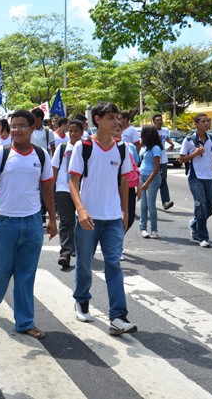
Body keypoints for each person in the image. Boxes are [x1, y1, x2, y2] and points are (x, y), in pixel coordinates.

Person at [0, 109, 56, 339]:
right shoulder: (1, 154)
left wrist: (52, 218)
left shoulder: (41, 155)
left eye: (22, 125)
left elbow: (47, 188)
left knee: (25, 274)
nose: (16, 129)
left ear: (33, 128)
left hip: (32, 222)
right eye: (13, 125)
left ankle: (24, 322)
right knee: (0, 272)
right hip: (4, 222)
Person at [68, 102, 137, 336]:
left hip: (113, 218)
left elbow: (124, 181)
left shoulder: (122, 148)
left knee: (114, 264)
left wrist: (125, 213)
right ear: (97, 119)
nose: (115, 122)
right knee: (85, 263)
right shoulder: (83, 146)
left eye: (116, 117)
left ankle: (118, 316)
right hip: (89, 217)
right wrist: (81, 210)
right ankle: (81, 300)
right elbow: (73, 181)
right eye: (109, 117)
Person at [179, 113, 212, 248]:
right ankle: (203, 237)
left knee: (211, 206)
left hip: (208, 177)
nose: (206, 123)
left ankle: (195, 223)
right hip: (195, 177)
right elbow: (181, 159)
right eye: (203, 121)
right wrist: (195, 153)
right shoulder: (189, 140)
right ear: (196, 124)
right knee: (200, 206)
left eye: (207, 121)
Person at [52, 119, 84, 269]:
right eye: (70, 131)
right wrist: (51, 189)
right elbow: (55, 169)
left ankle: (79, 249)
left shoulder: (86, 147)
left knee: (81, 222)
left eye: (75, 131)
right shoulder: (62, 147)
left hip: (82, 190)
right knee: (66, 221)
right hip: (63, 189)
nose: (72, 134)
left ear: (82, 132)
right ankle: (65, 253)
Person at [138, 125, 162, 239]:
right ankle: (143, 228)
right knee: (143, 205)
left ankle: (154, 229)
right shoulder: (146, 148)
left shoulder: (156, 148)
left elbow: (156, 167)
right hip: (142, 175)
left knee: (151, 205)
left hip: (152, 178)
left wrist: (147, 182)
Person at [153, 114, 174, 210]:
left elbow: (167, 138)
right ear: (153, 121)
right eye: (157, 120)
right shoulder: (151, 131)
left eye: (160, 120)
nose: (159, 121)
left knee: (163, 180)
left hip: (163, 159)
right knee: (153, 181)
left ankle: (165, 202)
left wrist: (171, 144)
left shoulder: (165, 130)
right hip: (153, 159)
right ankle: (149, 199)